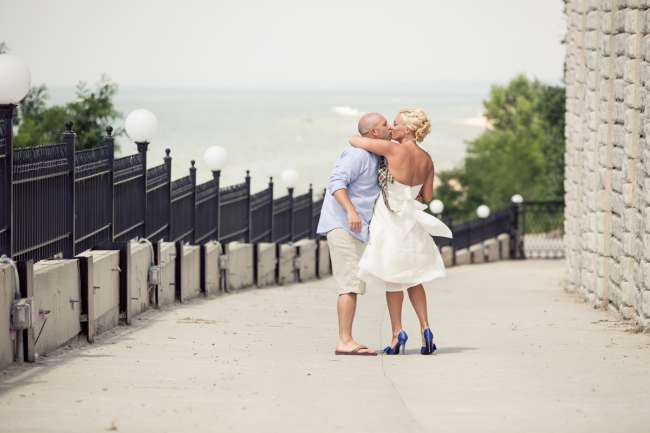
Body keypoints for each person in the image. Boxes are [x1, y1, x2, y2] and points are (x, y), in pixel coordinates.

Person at [349, 108, 452, 355]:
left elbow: (355, 140)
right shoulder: (427, 159)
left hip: (390, 220)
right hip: (412, 222)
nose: (392, 128)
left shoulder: (394, 149)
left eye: (395, 124)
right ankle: (426, 329)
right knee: (414, 278)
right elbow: (427, 195)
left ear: (407, 129)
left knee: (393, 280)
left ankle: (397, 334)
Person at [316, 112, 392, 356]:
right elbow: (336, 182)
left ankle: (346, 338)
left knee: (353, 284)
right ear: (373, 133)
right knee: (348, 285)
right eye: (384, 124)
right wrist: (351, 211)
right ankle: (345, 341)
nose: (389, 127)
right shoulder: (358, 154)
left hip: (356, 229)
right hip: (344, 225)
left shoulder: (374, 153)